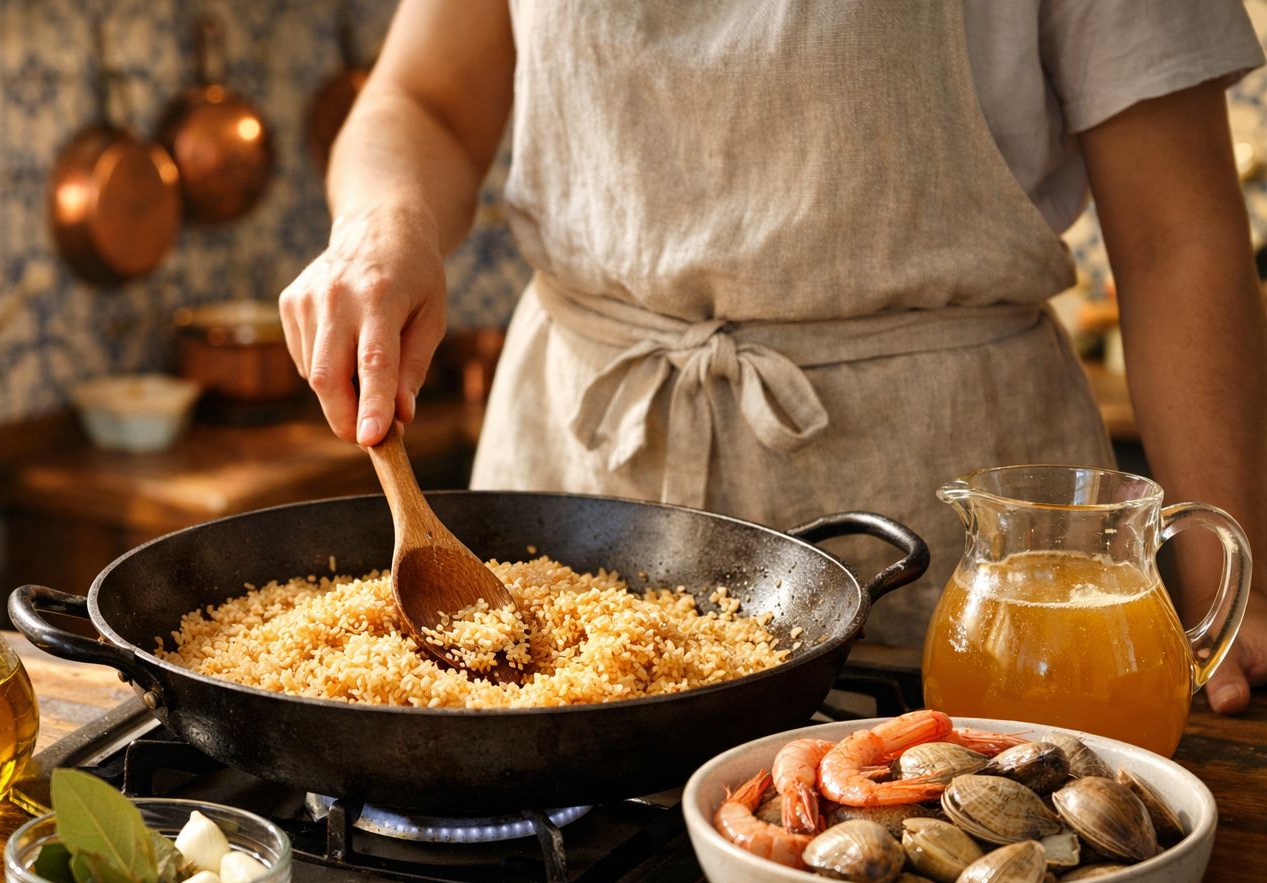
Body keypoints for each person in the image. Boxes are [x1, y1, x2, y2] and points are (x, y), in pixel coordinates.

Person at [280, 1, 1267, 713]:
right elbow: (424, 102)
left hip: (939, 487)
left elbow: (1175, 237)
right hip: (578, 477)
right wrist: (382, 221)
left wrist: (1242, 590)